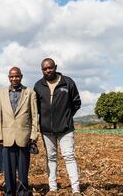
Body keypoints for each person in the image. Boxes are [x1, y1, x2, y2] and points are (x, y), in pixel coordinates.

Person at [33, 58, 82, 196]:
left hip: (66, 129)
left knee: (69, 156)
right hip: (47, 130)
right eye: (45, 69)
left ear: (55, 67)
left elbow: (76, 102)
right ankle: (53, 188)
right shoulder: (38, 86)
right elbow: (36, 107)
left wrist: (67, 117)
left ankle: (76, 189)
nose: (48, 70)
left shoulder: (68, 82)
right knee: (51, 157)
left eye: (50, 67)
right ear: (42, 70)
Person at [0, 67, 38, 196]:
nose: (14, 79)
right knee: (8, 170)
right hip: (6, 137)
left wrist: (33, 135)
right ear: (9, 78)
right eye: (12, 77)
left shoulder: (30, 93)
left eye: (17, 76)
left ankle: (23, 191)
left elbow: (34, 116)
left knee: (23, 169)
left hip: (24, 137)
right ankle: (9, 192)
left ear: (21, 77)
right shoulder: (1, 93)